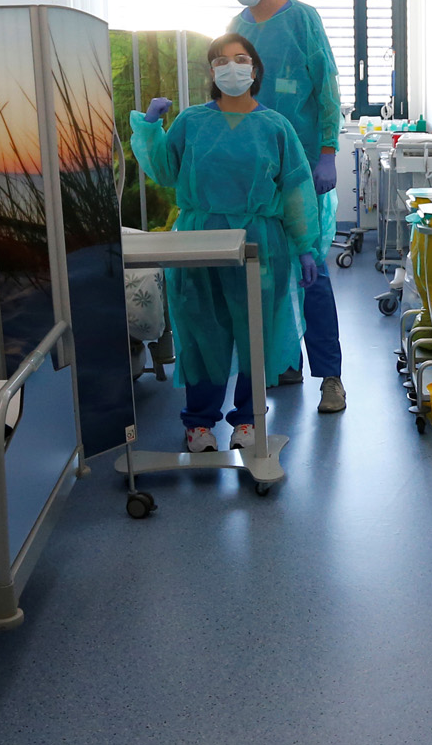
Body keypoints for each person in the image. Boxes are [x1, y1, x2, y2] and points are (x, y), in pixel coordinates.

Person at [129, 34, 319, 453]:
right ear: (212, 72)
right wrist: (150, 127)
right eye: (221, 61)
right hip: (198, 241)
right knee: (200, 333)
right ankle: (198, 424)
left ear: (254, 69)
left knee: (257, 333)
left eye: (240, 59)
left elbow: (296, 191)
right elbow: (164, 171)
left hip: (261, 243)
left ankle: (248, 421)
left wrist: (306, 245)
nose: (231, 68)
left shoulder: (275, 126)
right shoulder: (192, 122)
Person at [225, 0, 347, 414]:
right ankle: (286, 361)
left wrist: (328, 152)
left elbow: (329, 88)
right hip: (261, 176)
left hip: (304, 172)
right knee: (269, 275)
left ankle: (331, 377)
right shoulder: (237, 29)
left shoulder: (302, 20)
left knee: (311, 272)